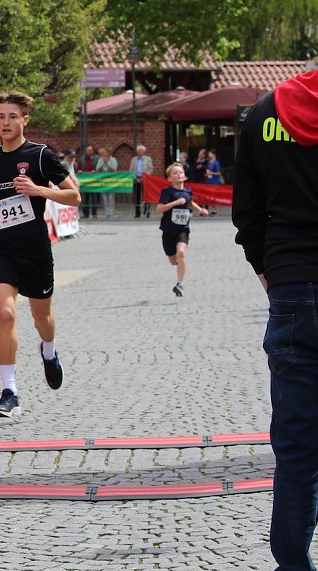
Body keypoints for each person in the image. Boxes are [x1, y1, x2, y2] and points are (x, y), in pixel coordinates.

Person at [233, 68, 318, 571]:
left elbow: (248, 212)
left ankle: (292, 563)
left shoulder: (264, 113)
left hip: (291, 285)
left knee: (296, 448)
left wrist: (268, 268)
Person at [0, 90, 80, 418]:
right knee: (6, 314)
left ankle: (48, 351)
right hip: (1, 247)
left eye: (12, 117)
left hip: (34, 249)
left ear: (25, 120)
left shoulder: (39, 155)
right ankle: (10, 392)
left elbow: (74, 195)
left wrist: (39, 190)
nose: (5, 123)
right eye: (0, 117)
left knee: (42, 319)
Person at [156, 162, 208, 297]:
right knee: (173, 260)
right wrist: (175, 203)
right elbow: (159, 208)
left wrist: (200, 209)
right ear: (169, 178)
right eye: (175, 172)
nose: (178, 174)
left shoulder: (188, 191)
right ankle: (179, 264)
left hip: (183, 230)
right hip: (168, 230)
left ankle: (180, 284)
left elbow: (190, 202)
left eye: (180, 172)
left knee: (181, 253)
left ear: (185, 176)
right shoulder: (167, 192)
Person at [129, 145, 154, 218]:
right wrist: (135, 177)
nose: (139, 152)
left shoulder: (148, 159)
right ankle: (137, 212)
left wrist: (145, 176)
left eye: (140, 151)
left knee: (146, 196)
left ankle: (147, 211)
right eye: (138, 151)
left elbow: (151, 169)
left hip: (145, 179)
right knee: (136, 197)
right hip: (136, 179)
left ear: (144, 151)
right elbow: (131, 169)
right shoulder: (133, 159)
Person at [95, 146, 118, 218]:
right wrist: (102, 164)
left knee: (111, 197)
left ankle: (111, 213)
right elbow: (97, 169)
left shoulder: (113, 159)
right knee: (105, 198)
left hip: (111, 181)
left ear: (108, 153)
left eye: (104, 152)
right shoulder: (100, 160)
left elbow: (115, 169)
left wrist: (108, 163)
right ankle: (107, 213)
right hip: (103, 181)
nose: (103, 153)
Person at [80, 144, 100, 218]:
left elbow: (98, 167)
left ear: (93, 151)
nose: (88, 152)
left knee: (94, 198)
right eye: (87, 150)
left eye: (90, 150)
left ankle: (94, 213)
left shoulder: (97, 158)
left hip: (94, 180)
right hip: (85, 180)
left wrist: (95, 170)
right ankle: (85, 213)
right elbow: (80, 166)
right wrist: (80, 171)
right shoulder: (83, 158)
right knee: (85, 198)